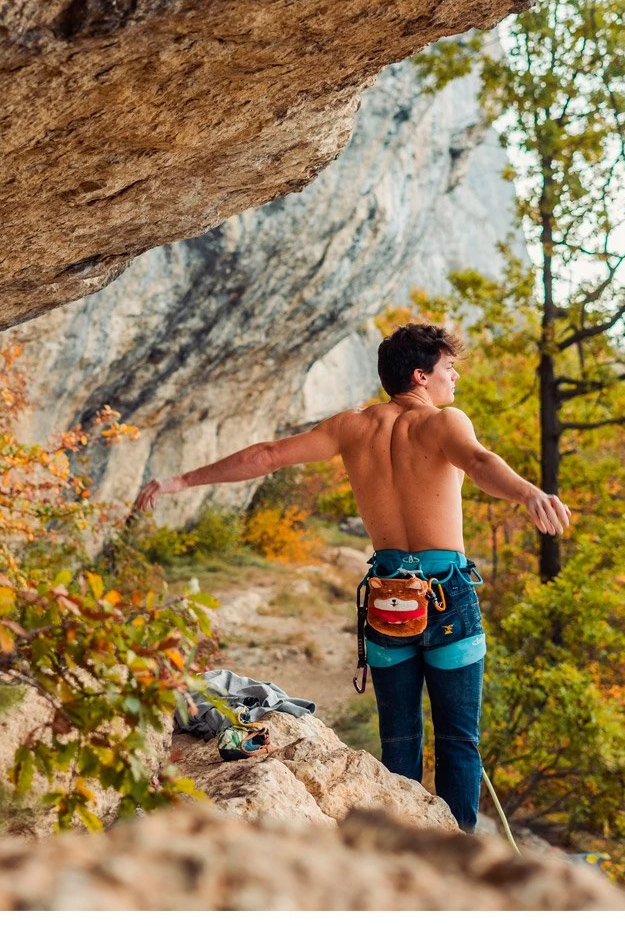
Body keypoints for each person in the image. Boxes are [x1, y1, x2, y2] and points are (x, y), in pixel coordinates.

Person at [135, 322, 570, 831]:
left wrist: (180, 480)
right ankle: (456, 855)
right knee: (458, 739)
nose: (456, 380)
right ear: (420, 375)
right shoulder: (443, 423)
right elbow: (478, 461)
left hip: (387, 596)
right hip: (446, 595)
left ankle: (395, 846)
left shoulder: (351, 428)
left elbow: (269, 455)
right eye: (450, 369)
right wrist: (528, 493)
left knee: (400, 739)